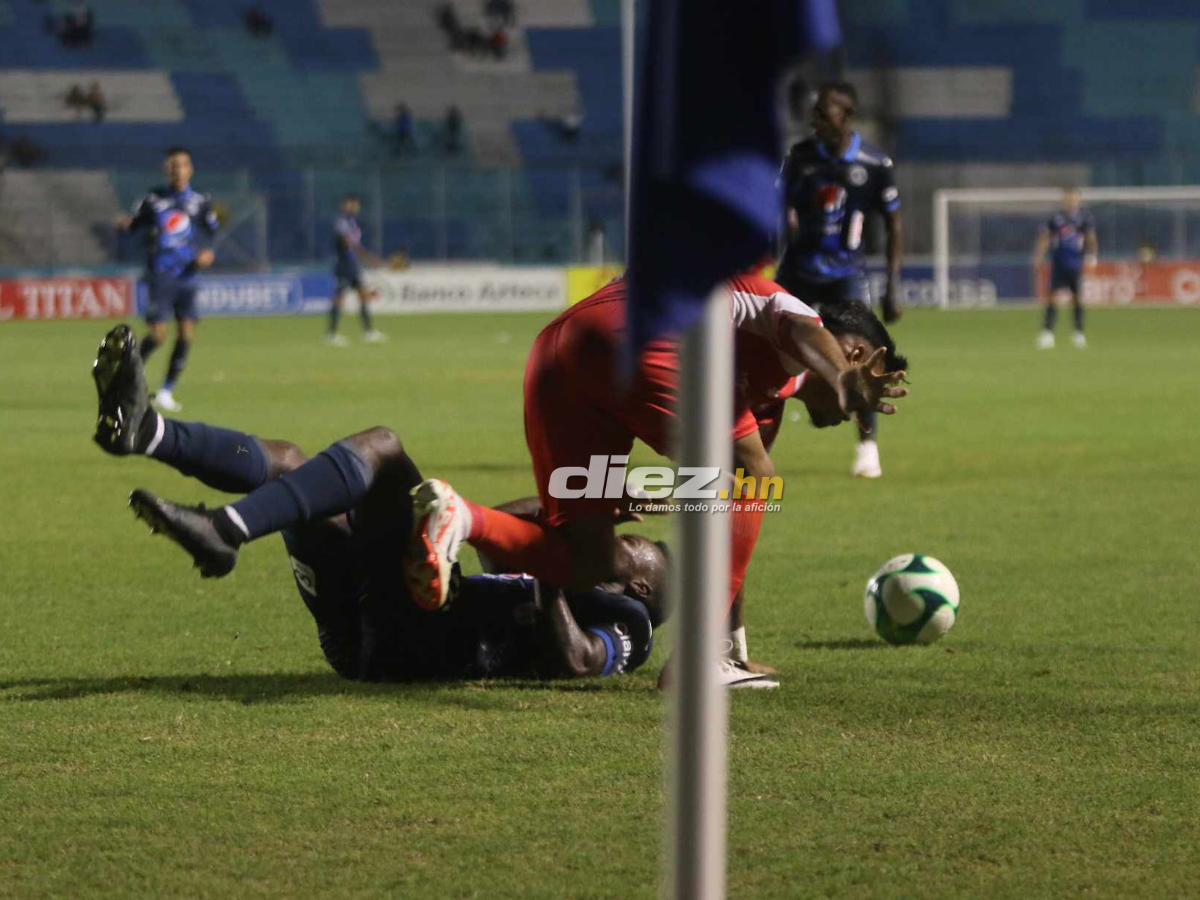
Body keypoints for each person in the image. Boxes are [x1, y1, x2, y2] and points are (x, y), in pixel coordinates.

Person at [89, 324, 673, 683]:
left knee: (383, 449)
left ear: (641, 586)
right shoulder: (564, 572)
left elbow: (575, 661)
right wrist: (572, 515)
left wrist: (550, 570)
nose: (617, 543)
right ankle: (150, 434)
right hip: (365, 629)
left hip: (420, 644)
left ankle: (224, 528)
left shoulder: (634, 625)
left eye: (630, 549)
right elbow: (488, 526)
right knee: (293, 464)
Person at [402, 273, 908, 679]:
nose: (858, 415)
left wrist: (646, 493)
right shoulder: (786, 310)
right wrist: (843, 376)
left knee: (582, 562)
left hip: (559, 354)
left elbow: (727, 513)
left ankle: (459, 517)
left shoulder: (767, 399)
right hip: (638, 334)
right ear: (858, 356)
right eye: (870, 390)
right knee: (755, 472)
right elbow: (802, 334)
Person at [776, 81, 904, 479]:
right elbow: (776, 206)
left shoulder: (874, 164)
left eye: (823, 114)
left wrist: (892, 285)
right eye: (813, 114)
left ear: (846, 116)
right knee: (768, 351)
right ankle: (752, 437)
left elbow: (894, 225)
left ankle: (868, 446)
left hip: (846, 274)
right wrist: (785, 227)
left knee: (864, 357)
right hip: (798, 269)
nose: (814, 120)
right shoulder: (799, 157)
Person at [114, 146, 218, 413]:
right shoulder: (153, 200)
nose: (178, 170)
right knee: (158, 335)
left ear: (190, 169)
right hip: (160, 275)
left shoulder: (200, 201)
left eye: (182, 165)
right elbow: (134, 228)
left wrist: (206, 253)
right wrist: (125, 226)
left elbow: (210, 233)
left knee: (186, 332)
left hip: (188, 275)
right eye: (173, 165)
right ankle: (125, 378)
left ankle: (166, 392)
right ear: (166, 169)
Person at [1033, 188, 1096, 350]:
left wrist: (1092, 256)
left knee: (1077, 298)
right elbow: (1045, 237)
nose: (1070, 201)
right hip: (1058, 263)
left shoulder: (1084, 218)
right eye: (1068, 198)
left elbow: (1090, 238)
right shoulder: (1056, 218)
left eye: (1074, 198)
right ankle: (1047, 333)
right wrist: (1039, 256)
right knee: (1052, 297)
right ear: (1064, 200)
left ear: (1078, 200)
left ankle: (1078, 333)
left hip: (1076, 264)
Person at [328, 194, 385, 345]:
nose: (355, 208)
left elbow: (353, 245)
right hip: (343, 264)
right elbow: (348, 244)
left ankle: (368, 332)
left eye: (356, 205)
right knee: (339, 298)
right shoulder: (341, 222)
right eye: (352, 204)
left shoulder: (352, 223)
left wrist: (364, 257)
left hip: (352, 264)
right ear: (345, 205)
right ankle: (331, 334)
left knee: (362, 295)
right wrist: (368, 257)